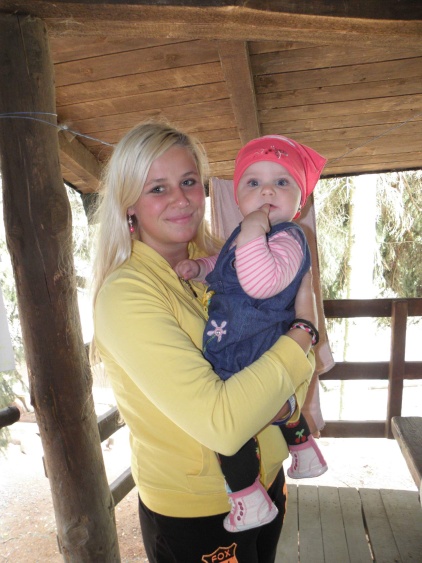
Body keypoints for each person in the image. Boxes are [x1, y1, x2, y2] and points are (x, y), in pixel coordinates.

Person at [92, 121, 318, 563]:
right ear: (129, 205)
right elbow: (223, 424)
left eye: (189, 182)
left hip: (268, 478)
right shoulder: (127, 294)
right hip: (200, 509)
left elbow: (291, 372)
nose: (180, 199)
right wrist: (304, 332)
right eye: (158, 188)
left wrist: (287, 399)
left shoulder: (222, 264)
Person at [175, 135, 328, 533]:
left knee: (231, 428)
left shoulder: (290, 238)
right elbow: (228, 267)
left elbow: (259, 283)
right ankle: (304, 449)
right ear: (238, 197)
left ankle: (246, 497)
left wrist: (252, 231)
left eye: (282, 182)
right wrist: (202, 268)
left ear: (300, 202)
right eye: (253, 182)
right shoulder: (245, 237)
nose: (267, 191)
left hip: (251, 347)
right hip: (238, 342)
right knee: (277, 407)